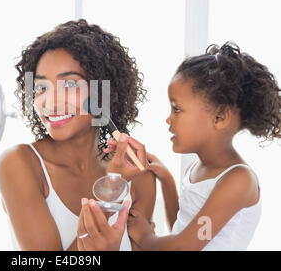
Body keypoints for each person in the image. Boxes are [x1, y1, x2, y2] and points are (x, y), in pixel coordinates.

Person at [78, 42, 281, 250]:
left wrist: (146, 237)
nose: (168, 119)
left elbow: (183, 247)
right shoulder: (195, 168)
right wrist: (166, 178)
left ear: (219, 117)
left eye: (176, 109)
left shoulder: (239, 181)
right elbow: (184, 228)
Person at [0, 19, 156, 250]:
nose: (50, 103)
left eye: (70, 85)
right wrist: (112, 188)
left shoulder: (138, 176)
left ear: (104, 92)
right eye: (41, 87)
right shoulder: (20, 164)